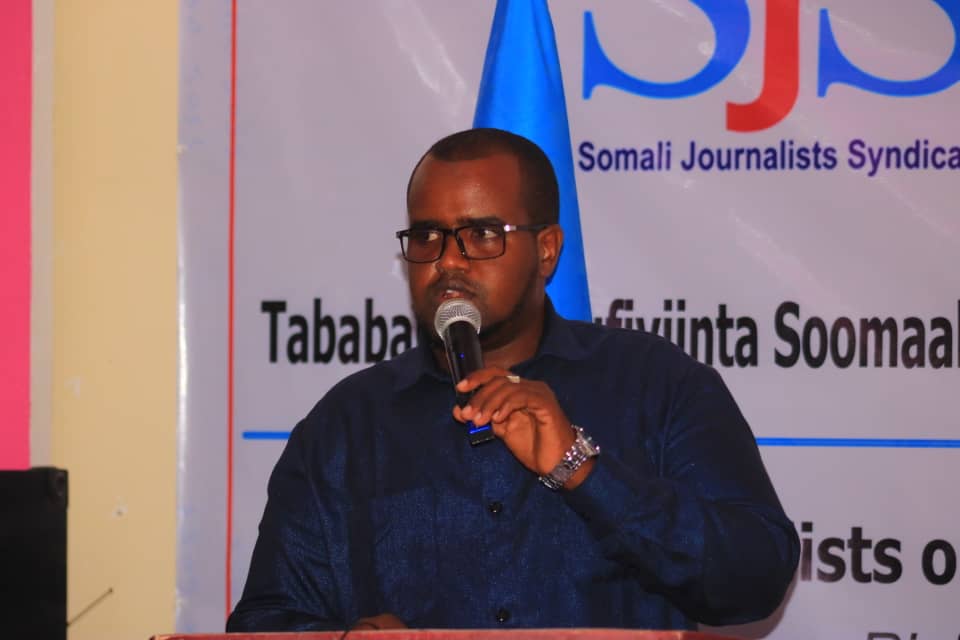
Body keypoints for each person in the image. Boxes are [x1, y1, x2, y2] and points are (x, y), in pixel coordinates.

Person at [227, 128, 799, 632]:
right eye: (427, 237)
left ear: (546, 250)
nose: (448, 261)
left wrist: (583, 470)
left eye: (481, 234)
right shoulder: (346, 425)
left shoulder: (658, 384)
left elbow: (755, 578)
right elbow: (263, 620)